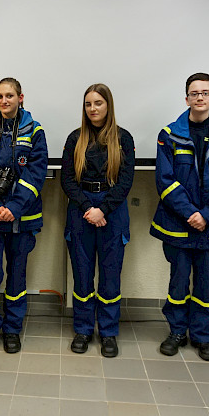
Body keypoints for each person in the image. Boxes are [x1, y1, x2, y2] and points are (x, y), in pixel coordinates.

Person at [150, 73, 209, 361]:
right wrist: (191, 213)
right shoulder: (168, 134)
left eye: (205, 93)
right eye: (194, 93)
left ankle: (202, 336)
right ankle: (177, 332)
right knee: (178, 283)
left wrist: (207, 215)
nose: (199, 97)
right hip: (178, 224)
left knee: (204, 284)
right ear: (186, 98)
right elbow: (165, 180)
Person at [0, 77, 48, 355]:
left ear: (21, 97)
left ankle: (12, 329)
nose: (4, 101)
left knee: (16, 276)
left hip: (22, 217)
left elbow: (36, 175)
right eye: (0, 96)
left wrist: (13, 207)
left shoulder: (35, 131)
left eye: (10, 96)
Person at [61, 83, 135, 358]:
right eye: (88, 104)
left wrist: (103, 209)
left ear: (108, 106)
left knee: (110, 276)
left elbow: (126, 180)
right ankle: (82, 329)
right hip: (81, 211)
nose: (93, 109)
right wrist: (87, 208)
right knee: (81, 274)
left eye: (98, 103)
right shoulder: (74, 139)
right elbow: (67, 180)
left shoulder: (123, 138)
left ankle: (108, 332)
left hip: (112, 213)